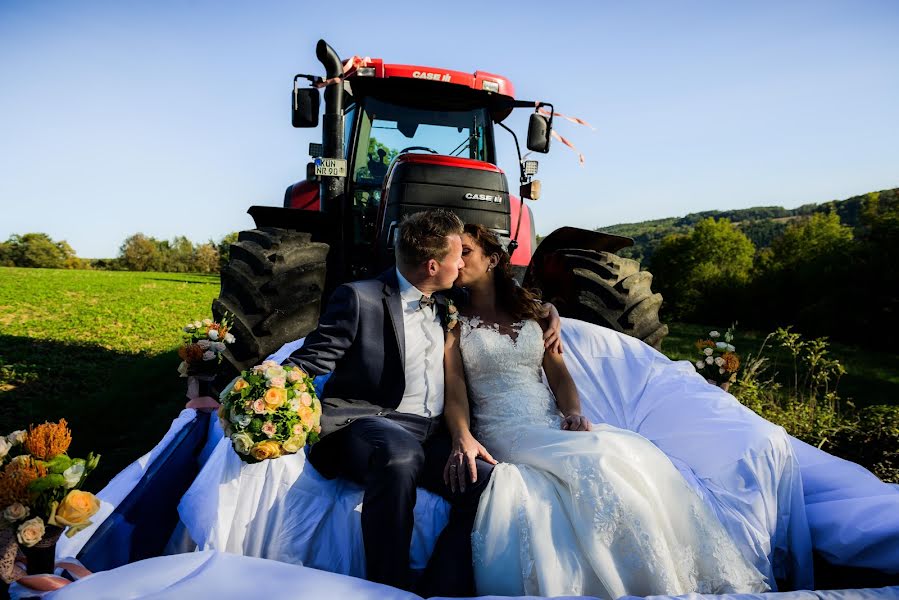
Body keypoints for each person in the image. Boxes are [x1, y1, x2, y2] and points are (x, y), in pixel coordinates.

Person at [442, 224, 771, 598]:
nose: (455, 260)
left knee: (629, 454)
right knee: (597, 462)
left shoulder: (533, 314)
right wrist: (462, 436)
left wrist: (573, 412)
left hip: (547, 420)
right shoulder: (454, 321)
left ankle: (664, 578)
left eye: (465, 251)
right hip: (503, 427)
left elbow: (560, 376)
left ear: (493, 259)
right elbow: (455, 393)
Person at [284, 210, 561, 596]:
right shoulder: (358, 298)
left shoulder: (450, 297)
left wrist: (550, 313)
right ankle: (388, 588)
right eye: (456, 256)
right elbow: (308, 362)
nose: (462, 264)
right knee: (400, 456)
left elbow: (510, 301)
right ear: (434, 265)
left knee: (489, 485)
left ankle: (438, 589)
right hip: (367, 423)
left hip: (431, 433)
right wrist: (260, 393)